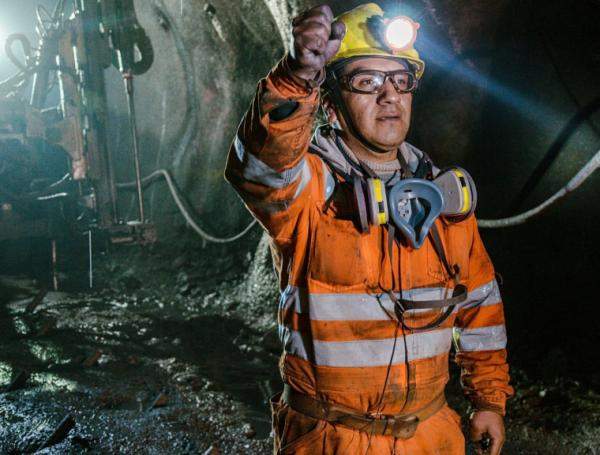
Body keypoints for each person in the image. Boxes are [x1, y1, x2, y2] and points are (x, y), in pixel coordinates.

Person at [225, 3, 513, 454]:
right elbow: (259, 167)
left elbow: (481, 306)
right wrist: (297, 78)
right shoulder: (310, 191)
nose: (389, 96)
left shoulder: (441, 199)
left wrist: (488, 400)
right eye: (367, 82)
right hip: (332, 438)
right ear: (331, 105)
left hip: (430, 436)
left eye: (400, 80)